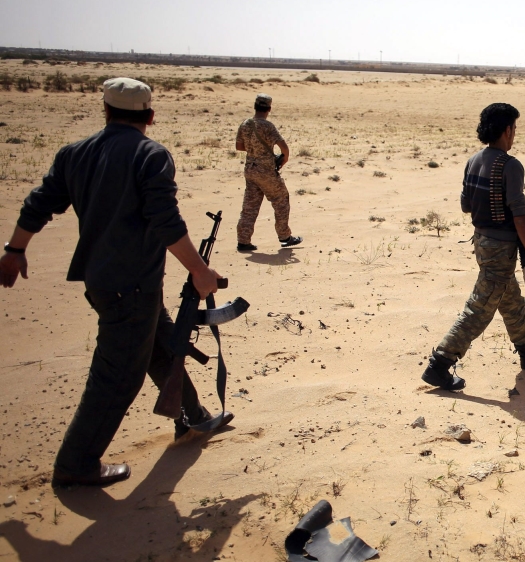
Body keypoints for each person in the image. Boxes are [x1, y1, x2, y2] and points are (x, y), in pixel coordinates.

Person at [0, 78, 231, 487]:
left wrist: (15, 250)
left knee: (161, 343)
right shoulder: (151, 154)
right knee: (119, 375)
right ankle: (76, 463)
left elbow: (39, 203)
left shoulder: (75, 153)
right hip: (132, 285)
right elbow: (165, 219)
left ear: (105, 111)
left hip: (105, 281)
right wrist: (199, 270)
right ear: (150, 116)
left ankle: (193, 416)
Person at [421, 103, 525, 391]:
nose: (515, 134)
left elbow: (466, 205)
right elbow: (519, 217)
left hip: (481, 242)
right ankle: (440, 363)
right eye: (514, 128)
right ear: (507, 130)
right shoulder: (510, 165)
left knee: (508, 297)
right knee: (479, 308)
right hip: (501, 249)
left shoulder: (474, 160)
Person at [234, 93, 302, 252]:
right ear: (269, 109)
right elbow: (283, 147)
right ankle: (285, 237)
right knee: (281, 200)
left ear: (255, 107)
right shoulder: (267, 126)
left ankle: (243, 241)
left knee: (250, 206)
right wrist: (283, 159)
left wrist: (253, 150)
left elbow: (239, 147)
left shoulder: (245, 124)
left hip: (250, 169)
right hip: (266, 171)